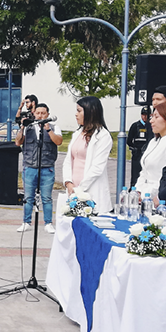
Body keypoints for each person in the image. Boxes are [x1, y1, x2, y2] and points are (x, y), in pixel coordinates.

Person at [14, 103, 62, 233]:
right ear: (34, 114)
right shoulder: (29, 127)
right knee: (28, 197)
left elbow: (58, 141)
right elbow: (18, 142)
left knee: (46, 197)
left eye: (43, 113)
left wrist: (48, 130)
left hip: (47, 167)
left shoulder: (54, 127)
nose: (40, 115)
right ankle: (26, 222)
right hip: (30, 167)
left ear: (47, 114)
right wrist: (22, 127)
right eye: (38, 113)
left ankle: (48, 223)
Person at [63, 96, 113, 212]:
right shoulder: (77, 133)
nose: (76, 114)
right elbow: (68, 161)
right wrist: (68, 182)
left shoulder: (102, 136)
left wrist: (80, 189)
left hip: (90, 190)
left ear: (91, 112)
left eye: (79, 111)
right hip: (73, 191)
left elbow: (97, 168)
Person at [132, 100, 166, 199]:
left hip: (157, 197)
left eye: (156, 117)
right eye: (152, 117)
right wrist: (137, 191)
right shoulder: (153, 141)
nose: (151, 121)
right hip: (143, 195)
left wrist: (148, 194)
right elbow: (144, 171)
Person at [127, 106, 151, 185]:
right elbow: (129, 140)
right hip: (137, 154)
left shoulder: (151, 126)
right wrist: (134, 148)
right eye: (143, 114)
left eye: (146, 115)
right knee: (135, 174)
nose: (145, 117)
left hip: (148, 153)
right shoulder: (135, 125)